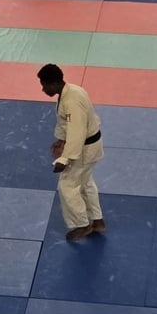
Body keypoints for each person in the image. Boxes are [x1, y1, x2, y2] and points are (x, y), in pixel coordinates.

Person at [37, 63, 106, 242]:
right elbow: (65, 124)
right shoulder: (72, 91)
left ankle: (82, 224)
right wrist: (61, 140)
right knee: (85, 182)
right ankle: (98, 221)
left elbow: (77, 132)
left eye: (44, 85)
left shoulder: (71, 101)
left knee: (67, 185)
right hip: (90, 145)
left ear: (53, 83)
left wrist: (65, 158)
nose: (43, 89)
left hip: (84, 149)